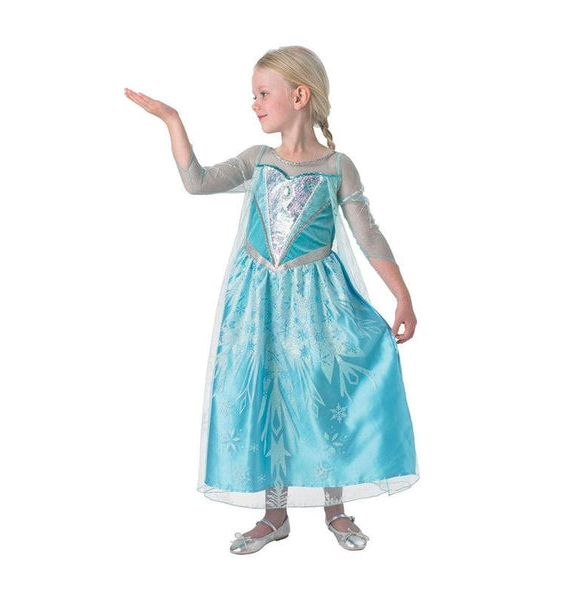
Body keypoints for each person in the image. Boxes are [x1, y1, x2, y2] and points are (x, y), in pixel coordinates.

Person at [124, 45, 419, 554]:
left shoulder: (337, 167)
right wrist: (172, 120)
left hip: (320, 304)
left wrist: (402, 297)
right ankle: (274, 514)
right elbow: (196, 182)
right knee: (270, 395)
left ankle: (335, 509)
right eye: (254, 95)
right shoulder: (257, 161)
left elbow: (367, 233)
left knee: (325, 395)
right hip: (258, 301)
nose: (254, 104)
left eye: (263, 94)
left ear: (299, 96)